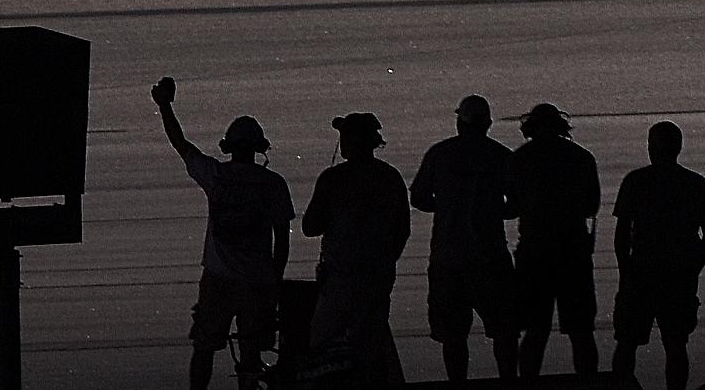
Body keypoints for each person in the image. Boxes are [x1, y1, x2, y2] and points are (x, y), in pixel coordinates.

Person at [150, 77, 295, 390]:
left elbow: (181, 145)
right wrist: (274, 282)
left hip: (218, 281)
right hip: (258, 281)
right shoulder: (273, 184)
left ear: (229, 147)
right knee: (251, 353)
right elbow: (282, 240)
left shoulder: (217, 176)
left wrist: (165, 107)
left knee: (204, 348)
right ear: (259, 149)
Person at [410, 94, 519, 383]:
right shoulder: (502, 156)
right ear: (488, 124)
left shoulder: (440, 153)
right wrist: (493, 210)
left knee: (453, 335)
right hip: (491, 256)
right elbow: (516, 204)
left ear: (460, 122)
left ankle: (457, 382)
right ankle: (509, 380)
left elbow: (419, 197)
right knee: (504, 331)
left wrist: (446, 206)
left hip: (449, 257)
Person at [303, 112, 411, 386]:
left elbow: (310, 226)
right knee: (370, 342)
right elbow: (403, 230)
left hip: (340, 278)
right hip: (378, 275)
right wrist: (386, 261)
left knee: (325, 343)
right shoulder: (390, 177)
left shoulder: (333, 178)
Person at [611, 121, 705, 390]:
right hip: (678, 275)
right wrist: (694, 266)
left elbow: (621, 235)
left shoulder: (635, 181)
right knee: (675, 344)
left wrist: (626, 272)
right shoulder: (696, 184)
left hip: (642, 273)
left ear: (651, 147)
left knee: (627, 343)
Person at [509, 103, 601, 377]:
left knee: (536, 331)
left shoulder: (520, 158)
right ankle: (588, 383)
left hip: (534, 254)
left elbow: (511, 207)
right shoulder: (582, 157)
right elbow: (591, 206)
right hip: (573, 253)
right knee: (581, 331)